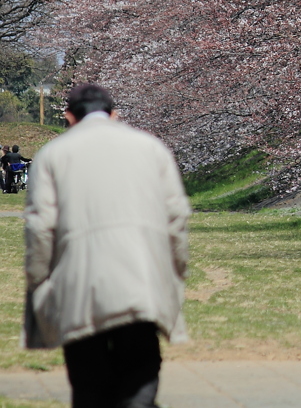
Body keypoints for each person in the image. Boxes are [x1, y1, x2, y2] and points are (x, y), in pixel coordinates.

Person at [22, 83, 190, 408]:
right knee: (140, 371)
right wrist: (177, 267)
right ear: (114, 115)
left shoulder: (52, 154)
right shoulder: (150, 147)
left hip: (78, 282)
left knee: (88, 382)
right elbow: (176, 216)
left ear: (69, 117)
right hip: (141, 276)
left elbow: (41, 226)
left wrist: (38, 278)